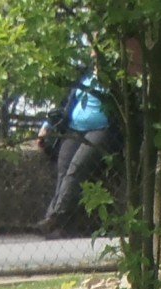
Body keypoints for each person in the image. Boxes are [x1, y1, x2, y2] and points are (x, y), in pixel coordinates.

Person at [36, 72, 113, 237]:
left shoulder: (115, 80)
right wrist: (47, 126)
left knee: (76, 169)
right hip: (74, 129)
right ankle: (62, 227)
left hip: (101, 130)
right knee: (63, 171)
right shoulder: (83, 76)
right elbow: (65, 104)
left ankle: (54, 217)